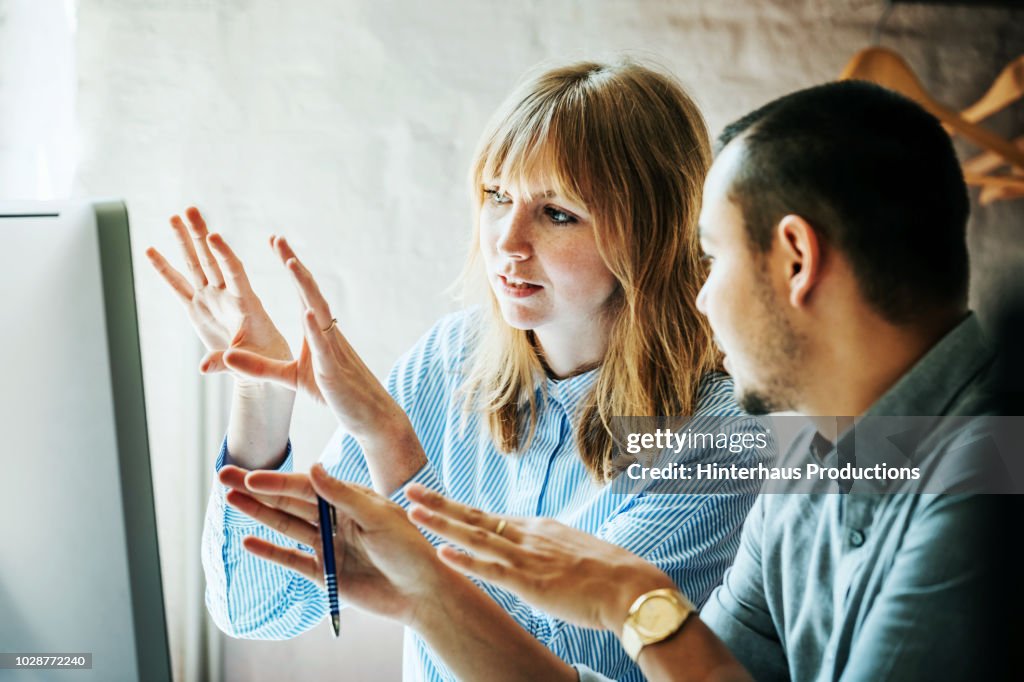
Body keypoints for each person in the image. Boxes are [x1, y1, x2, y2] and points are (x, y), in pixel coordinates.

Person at [147, 59, 768, 682]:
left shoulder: (726, 437)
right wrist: (261, 393)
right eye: (497, 196)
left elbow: (543, 657)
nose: (507, 241)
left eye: (557, 213)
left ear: (649, 232)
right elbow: (258, 608)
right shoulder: (450, 360)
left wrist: (393, 448)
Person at [396, 80, 1012, 680]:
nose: (702, 297)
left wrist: (634, 600)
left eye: (714, 258)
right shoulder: (810, 469)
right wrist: (425, 596)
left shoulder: (990, 476)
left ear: (797, 260)